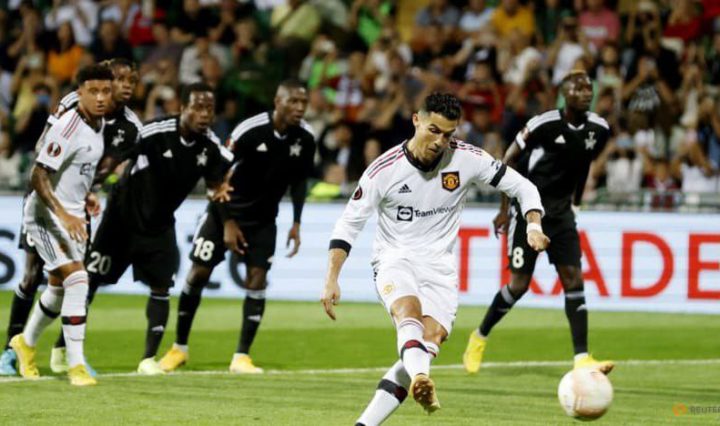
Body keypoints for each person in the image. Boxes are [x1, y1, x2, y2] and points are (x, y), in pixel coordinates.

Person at [320, 93, 548, 424]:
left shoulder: (467, 158)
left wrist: (533, 225)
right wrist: (331, 277)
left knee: (428, 342)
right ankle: (421, 379)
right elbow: (348, 225)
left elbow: (523, 187)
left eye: (448, 134)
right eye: (434, 130)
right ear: (416, 120)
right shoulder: (384, 170)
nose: (440, 141)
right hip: (394, 258)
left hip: (440, 268)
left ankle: (372, 417)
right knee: (407, 313)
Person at [463, 70, 614, 375]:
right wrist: (505, 208)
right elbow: (508, 160)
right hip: (528, 209)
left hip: (562, 214)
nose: (586, 93)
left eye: (589, 88)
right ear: (564, 94)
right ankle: (479, 337)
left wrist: (576, 204)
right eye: (579, 88)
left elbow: (584, 163)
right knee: (519, 285)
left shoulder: (599, 129)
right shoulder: (542, 124)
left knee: (573, 279)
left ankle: (582, 358)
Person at [159, 80, 315, 374]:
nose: (300, 108)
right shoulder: (250, 130)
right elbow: (215, 175)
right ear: (278, 101)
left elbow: (299, 181)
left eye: (303, 103)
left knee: (257, 280)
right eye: (293, 101)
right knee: (199, 273)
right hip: (225, 214)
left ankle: (241, 356)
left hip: (263, 221)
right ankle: (179, 348)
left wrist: (296, 221)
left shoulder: (306, 138)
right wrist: (228, 222)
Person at [0, 59, 143, 376]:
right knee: (46, 276)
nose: (123, 87)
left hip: (76, 207)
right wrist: (61, 207)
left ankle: (36, 346)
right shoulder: (71, 112)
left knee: (62, 286)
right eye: (118, 79)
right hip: (46, 206)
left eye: (130, 81)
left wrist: (88, 193)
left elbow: (97, 168)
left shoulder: (122, 127)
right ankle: (25, 355)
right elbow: (42, 159)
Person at [82, 82, 234, 375]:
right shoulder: (155, 131)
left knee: (162, 287)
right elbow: (115, 156)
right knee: (90, 281)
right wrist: (93, 188)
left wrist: (227, 220)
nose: (205, 114)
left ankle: (147, 359)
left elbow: (217, 185)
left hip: (160, 224)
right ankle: (66, 348)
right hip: (122, 219)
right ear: (183, 108)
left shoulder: (211, 147)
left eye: (210, 109)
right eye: (198, 107)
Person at [10, 64, 113, 386]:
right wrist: (63, 214)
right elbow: (38, 175)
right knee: (78, 279)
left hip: (73, 215)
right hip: (44, 215)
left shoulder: (100, 124)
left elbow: (77, 170)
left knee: (57, 289)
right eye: (93, 91)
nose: (100, 98)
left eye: (105, 91)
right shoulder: (68, 127)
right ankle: (75, 364)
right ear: (79, 92)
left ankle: (25, 344)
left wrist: (87, 196)